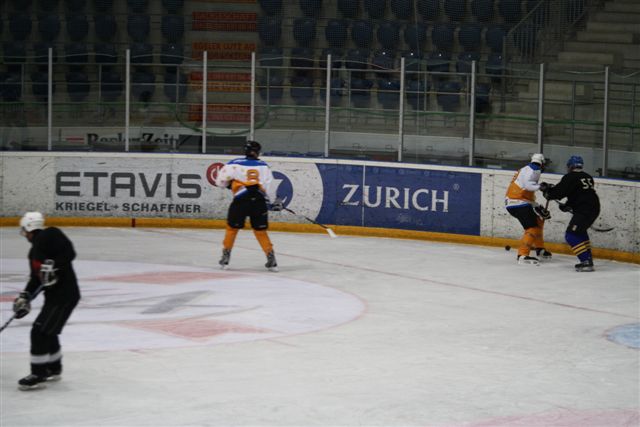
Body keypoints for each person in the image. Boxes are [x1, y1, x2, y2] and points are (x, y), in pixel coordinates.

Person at [12, 212, 81, 390]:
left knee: (39, 331)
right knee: (48, 331)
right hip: (54, 297)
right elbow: (36, 279)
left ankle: (39, 373)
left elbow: (70, 252)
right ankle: (54, 368)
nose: (24, 234)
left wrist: (54, 264)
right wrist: (25, 296)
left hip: (65, 296)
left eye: (24, 230)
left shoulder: (50, 234)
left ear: (30, 228)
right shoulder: (33, 252)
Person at [215, 140, 283, 271]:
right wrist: (273, 201)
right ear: (257, 152)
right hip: (258, 200)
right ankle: (271, 258)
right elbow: (269, 187)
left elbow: (220, 181)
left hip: (241, 199)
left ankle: (225, 257)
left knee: (232, 228)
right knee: (260, 231)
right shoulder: (264, 166)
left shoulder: (234, 164)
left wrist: (229, 185)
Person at [540, 155, 601, 272]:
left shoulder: (570, 177)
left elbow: (558, 192)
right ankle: (588, 259)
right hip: (594, 207)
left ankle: (586, 262)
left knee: (571, 235)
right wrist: (568, 205)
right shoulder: (587, 176)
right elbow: (578, 193)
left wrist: (547, 192)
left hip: (584, 210)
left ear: (570, 166)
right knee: (580, 232)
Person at [504, 153, 552, 265]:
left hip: (517, 202)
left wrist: (536, 206)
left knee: (538, 222)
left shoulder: (527, 169)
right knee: (532, 228)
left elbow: (525, 191)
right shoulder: (535, 169)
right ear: (541, 163)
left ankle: (540, 249)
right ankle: (522, 255)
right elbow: (528, 186)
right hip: (518, 203)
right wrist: (541, 187)